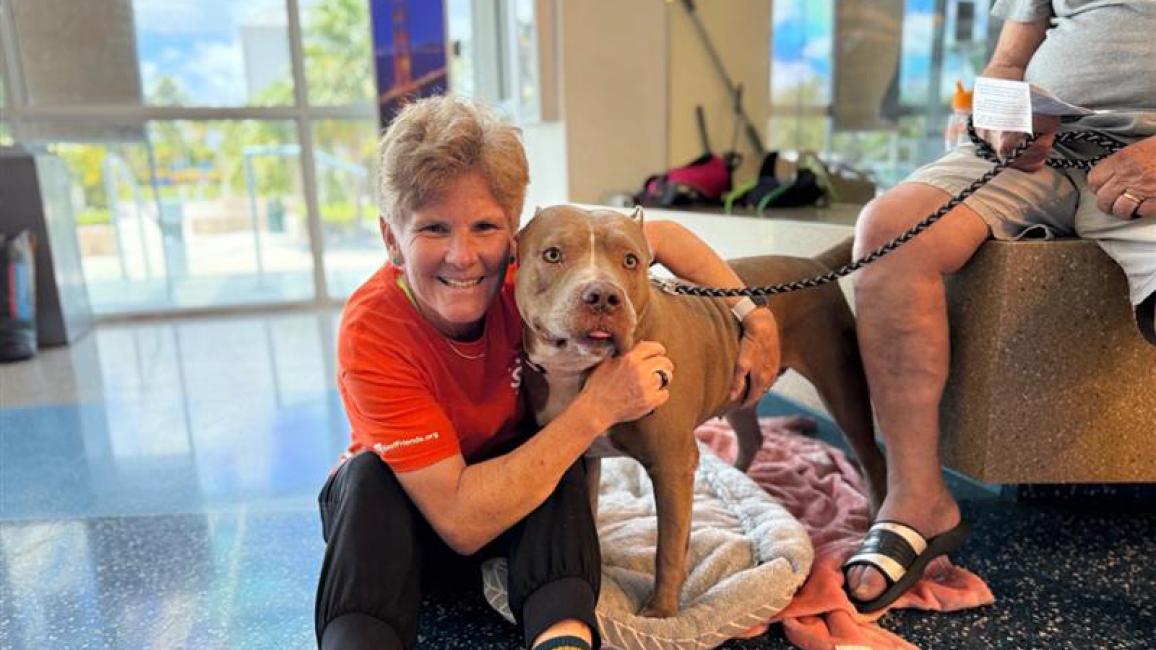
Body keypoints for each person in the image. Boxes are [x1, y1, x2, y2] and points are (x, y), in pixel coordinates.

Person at [313, 95, 781, 650]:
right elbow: (461, 520)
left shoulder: (536, 277)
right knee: (369, 480)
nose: (463, 256)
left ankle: (562, 638)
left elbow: (667, 239)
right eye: (433, 228)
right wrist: (597, 408)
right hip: (412, 522)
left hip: (510, 508)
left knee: (549, 460)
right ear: (392, 238)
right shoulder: (375, 328)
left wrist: (755, 316)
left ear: (513, 239)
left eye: (484, 227)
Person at [843, 0, 1156, 612]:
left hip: (1148, 157)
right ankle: (917, 500)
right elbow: (1006, 64)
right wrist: (1000, 117)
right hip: (1045, 154)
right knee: (888, 231)